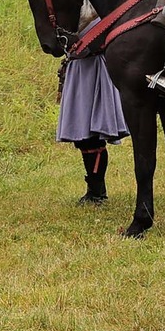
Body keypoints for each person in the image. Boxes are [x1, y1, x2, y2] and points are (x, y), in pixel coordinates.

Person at [58, 13, 128, 204]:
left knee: (94, 135)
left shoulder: (101, 12)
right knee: (83, 137)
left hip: (96, 70)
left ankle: (97, 191)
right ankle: (94, 189)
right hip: (77, 70)